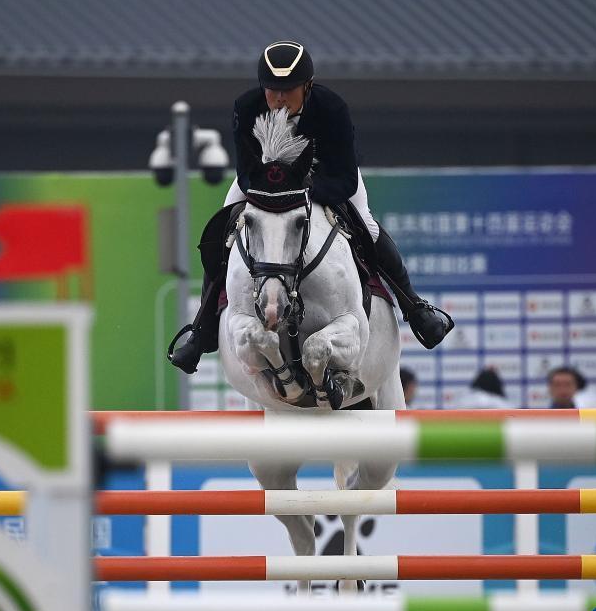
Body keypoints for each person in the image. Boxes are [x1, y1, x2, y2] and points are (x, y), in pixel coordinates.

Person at [169, 40, 453, 374]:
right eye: (272, 90)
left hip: (326, 180)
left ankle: (415, 306)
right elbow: (246, 173)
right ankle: (201, 330)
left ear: (307, 86)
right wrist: (275, 190)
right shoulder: (246, 107)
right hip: (267, 186)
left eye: (288, 90)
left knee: (367, 225)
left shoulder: (331, 108)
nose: (279, 99)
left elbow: (346, 179)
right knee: (224, 229)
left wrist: (306, 190)